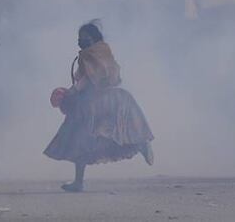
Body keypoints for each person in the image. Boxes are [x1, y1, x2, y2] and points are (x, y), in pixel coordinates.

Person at [44, 21, 154, 193]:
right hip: (99, 101)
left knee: (83, 139)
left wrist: (70, 92)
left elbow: (89, 79)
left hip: (99, 103)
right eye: (79, 39)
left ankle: (140, 143)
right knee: (81, 141)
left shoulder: (91, 55)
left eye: (85, 39)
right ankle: (139, 144)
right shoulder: (99, 52)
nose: (81, 42)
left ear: (94, 38)